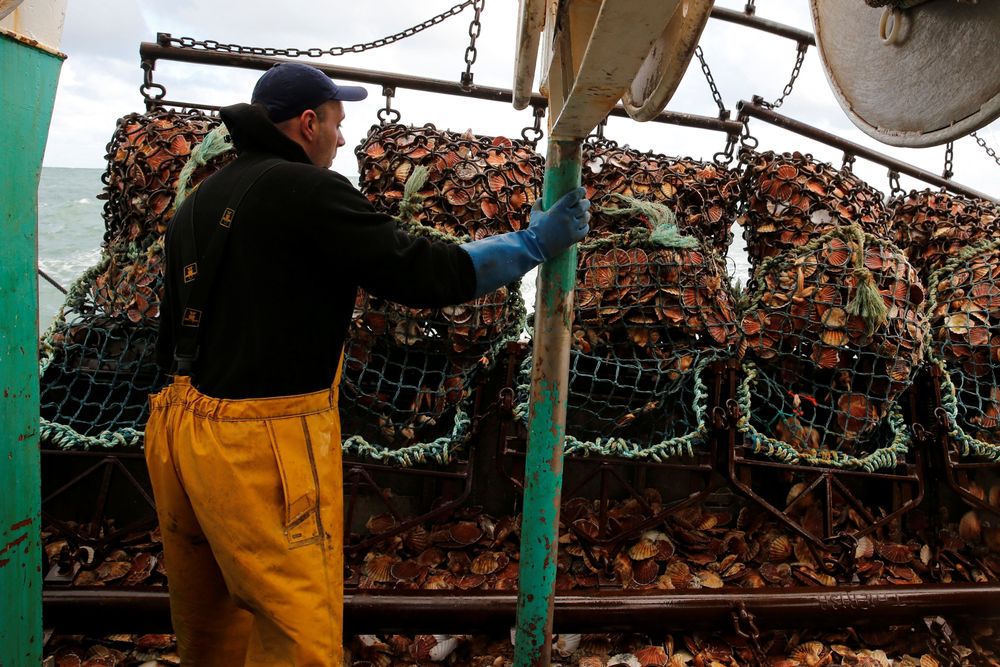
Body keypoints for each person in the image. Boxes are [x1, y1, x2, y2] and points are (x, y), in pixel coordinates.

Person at [147, 61, 590, 666]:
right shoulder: (308, 190)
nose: (343, 137)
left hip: (177, 432)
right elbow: (423, 270)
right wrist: (532, 243)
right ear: (308, 123)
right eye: (337, 122)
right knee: (295, 627)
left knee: (211, 621)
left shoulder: (199, 200)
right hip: (261, 444)